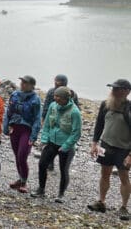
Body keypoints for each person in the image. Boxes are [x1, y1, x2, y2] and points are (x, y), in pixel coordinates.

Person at [88, 79, 131, 221]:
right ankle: (101, 202)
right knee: (104, 173)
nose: (113, 91)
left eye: (117, 88)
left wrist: (130, 155)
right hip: (106, 146)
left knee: (124, 177)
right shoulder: (105, 104)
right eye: (113, 88)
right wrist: (94, 143)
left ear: (126, 91)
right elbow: (99, 124)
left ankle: (124, 207)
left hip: (124, 149)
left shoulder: (129, 108)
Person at [31, 86, 81, 203]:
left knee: (64, 170)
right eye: (55, 96)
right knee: (42, 164)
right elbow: (47, 123)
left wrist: (66, 146)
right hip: (51, 142)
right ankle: (41, 189)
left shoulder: (74, 112)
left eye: (58, 96)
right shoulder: (53, 106)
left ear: (65, 98)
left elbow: (76, 132)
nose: (55, 98)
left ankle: (61, 194)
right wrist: (44, 139)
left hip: (66, 146)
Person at [3, 75, 42, 193]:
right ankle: (20, 179)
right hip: (14, 128)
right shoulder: (14, 95)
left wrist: (34, 135)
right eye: (22, 82)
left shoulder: (35, 99)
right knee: (16, 156)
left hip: (27, 130)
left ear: (31, 86)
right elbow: (8, 112)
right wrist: (5, 126)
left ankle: (24, 182)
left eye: (25, 83)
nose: (22, 84)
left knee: (22, 155)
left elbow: (37, 118)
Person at [40, 74, 80, 171]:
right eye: (56, 82)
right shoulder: (51, 92)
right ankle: (50, 162)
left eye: (59, 82)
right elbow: (46, 105)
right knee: (51, 141)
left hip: (65, 122)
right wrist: (43, 118)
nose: (56, 84)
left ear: (65, 83)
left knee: (60, 143)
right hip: (52, 118)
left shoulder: (71, 94)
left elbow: (76, 107)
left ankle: (61, 163)